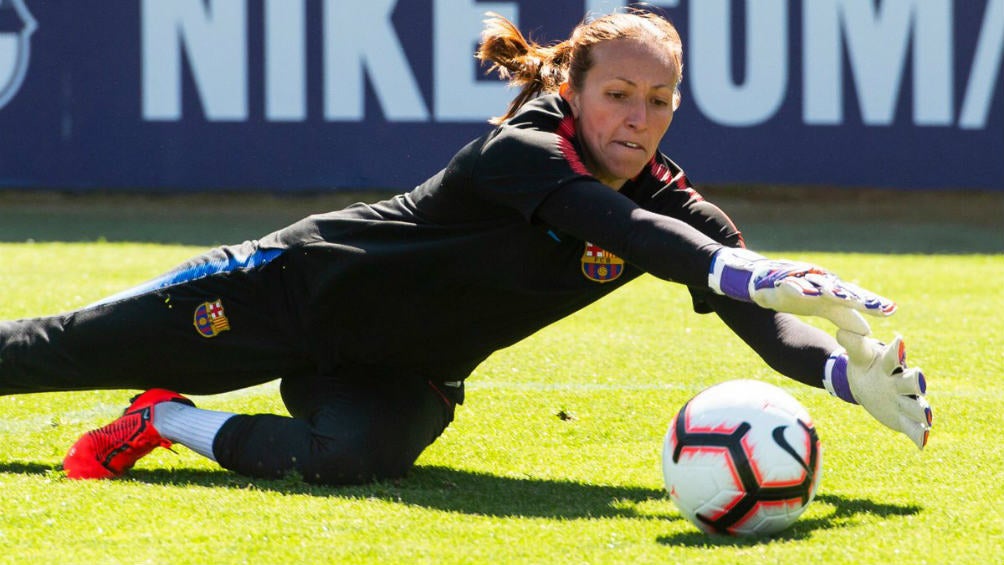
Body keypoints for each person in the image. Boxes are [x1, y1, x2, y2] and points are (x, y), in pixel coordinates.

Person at [0, 10, 931, 485]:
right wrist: (756, 270)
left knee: (356, 461)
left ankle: (161, 421)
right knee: (55, 350)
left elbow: (761, 328)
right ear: (573, 85)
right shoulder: (520, 148)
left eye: (658, 101)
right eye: (619, 94)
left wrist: (848, 378)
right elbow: (623, 230)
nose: (636, 118)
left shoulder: (687, 215)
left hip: (400, 372)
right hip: (289, 293)